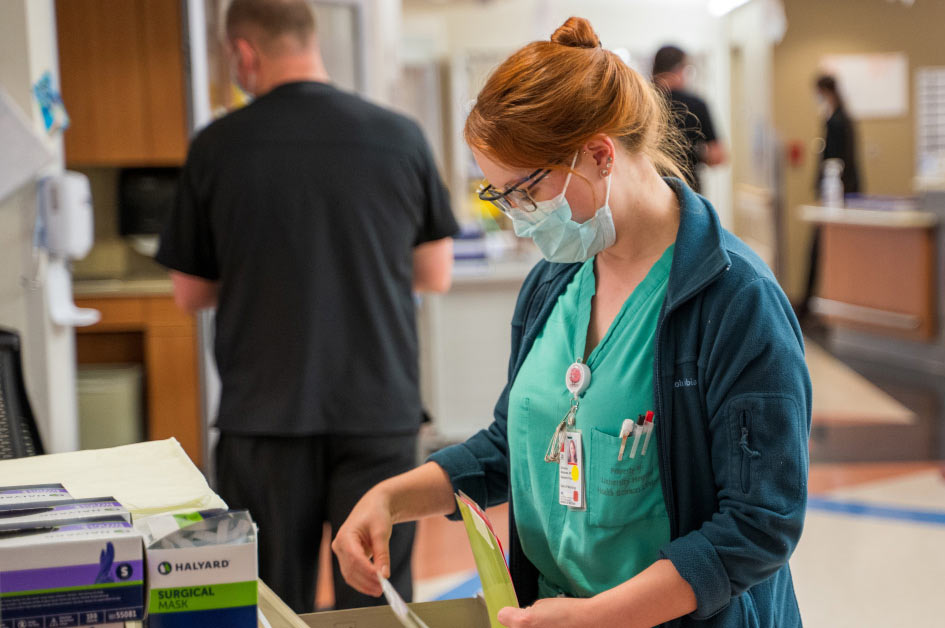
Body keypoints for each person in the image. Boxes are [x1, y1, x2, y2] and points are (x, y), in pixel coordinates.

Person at [333, 17, 810, 628]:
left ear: (599, 154)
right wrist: (390, 498)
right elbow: (517, 446)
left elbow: (759, 524)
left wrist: (598, 616)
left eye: (526, 191)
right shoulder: (557, 281)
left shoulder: (734, 301)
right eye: (500, 195)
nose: (518, 217)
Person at [155, 0, 457, 613]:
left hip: (264, 416)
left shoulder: (218, 146)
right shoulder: (399, 135)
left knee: (266, 601)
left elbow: (190, 292)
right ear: (309, 40)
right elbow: (435, 273)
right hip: (378, 408)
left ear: (244, 51)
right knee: (377, 603)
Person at [799, 74, 863, 321]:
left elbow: (836, 162)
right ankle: (811, 303)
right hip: (838, 193)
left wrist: (827, 193)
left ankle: (809, 304)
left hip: (836, 196)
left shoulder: (837, 122)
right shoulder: (839, 118)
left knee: (822, 249)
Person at [652, 45, 726, 194]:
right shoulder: (696, 104)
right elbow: (718, 156)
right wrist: (696, 152)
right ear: (680, 70)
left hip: (650, 190)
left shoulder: (640, 101)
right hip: (688, 193)